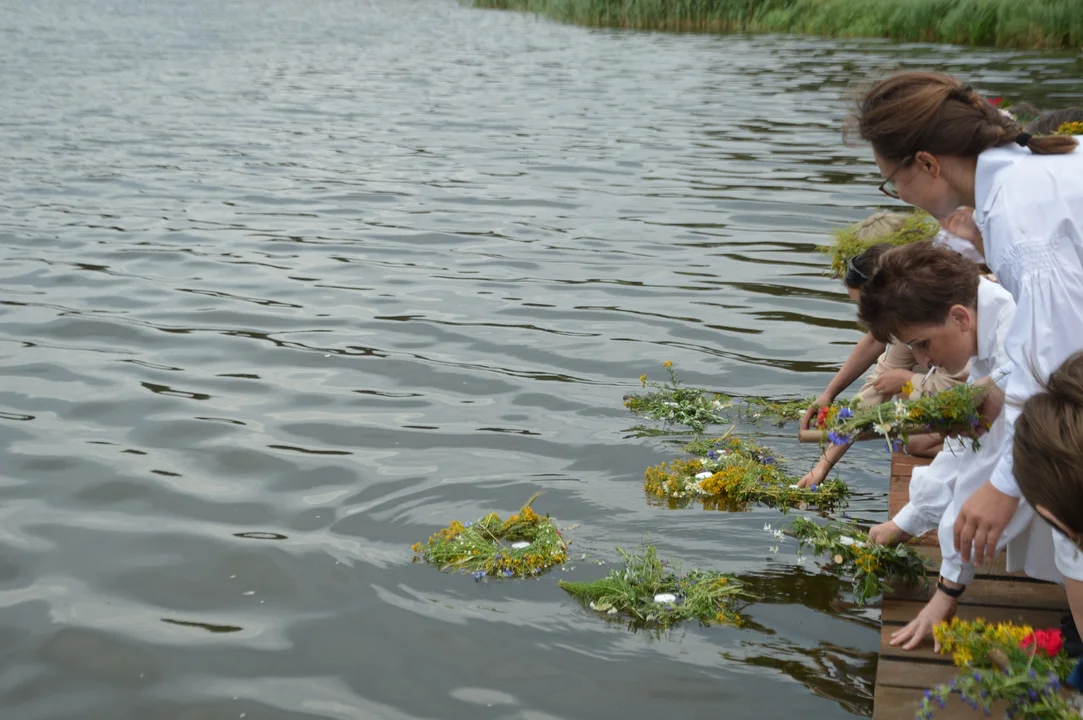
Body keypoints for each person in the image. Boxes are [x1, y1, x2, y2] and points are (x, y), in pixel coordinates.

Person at [852, 70, 1083, 633]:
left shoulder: (1017, 217)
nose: (900, 197)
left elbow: (1054, 371)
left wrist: (1002, 490)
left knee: (1068, 503)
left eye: (892, 182)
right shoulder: (1042, 166)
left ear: (928, 163)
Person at [857, 242, 1058, 649]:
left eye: (923, 344)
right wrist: (906, 522)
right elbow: (967, 453)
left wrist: (946, 592)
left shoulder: (1021, 337)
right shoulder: (989, 318)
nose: (923, 360)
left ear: (960, 318)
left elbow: (1000, 460)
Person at [797, 230, 968, 488]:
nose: (865, 317)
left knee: (913, 423)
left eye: (865, 305)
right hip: (961, 400)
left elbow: (970, 390)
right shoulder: (903, 330)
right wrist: (823, 465)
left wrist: (908, 380)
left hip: (997, 408)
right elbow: (873, 391)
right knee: (913, 437)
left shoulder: (950, 319)